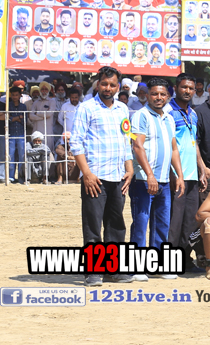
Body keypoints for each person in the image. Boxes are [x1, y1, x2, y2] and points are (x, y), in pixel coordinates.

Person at [67, 70, 129, 282]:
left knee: (116, 226)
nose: (108, 88)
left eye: (112, 85)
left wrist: (129, 169)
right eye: (104, 84)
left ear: (117, 87)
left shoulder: (122, 109)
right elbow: (76, 143)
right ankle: (93, 271)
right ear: (97, 85)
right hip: (95, 178)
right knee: (93, 226)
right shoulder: (86, 108)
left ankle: (114, 270)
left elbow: (125, 140)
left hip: (118, 177)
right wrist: (86, 173)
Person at [130, 78, 183, 281]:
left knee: (162, 224)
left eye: (162, 94)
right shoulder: (141, 116)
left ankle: (159, 266)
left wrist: (179, 175)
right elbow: (137, 146)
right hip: (143, 180)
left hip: (164, 181)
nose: (158, 97)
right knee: (141, 223)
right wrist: (149, 175)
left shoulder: (169, 118)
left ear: (168, 96)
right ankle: (137, 267)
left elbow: (174, 149)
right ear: (147, 95)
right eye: (154, 93)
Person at [167, 73, 210, 269]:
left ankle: (185, 259)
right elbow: (168, 145)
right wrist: (174, 174)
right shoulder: (168, 111)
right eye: (184, 87)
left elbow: (194, 144)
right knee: (174, 221)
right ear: (176, 88)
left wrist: (201, 169)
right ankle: (170, 261)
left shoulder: (192, 113)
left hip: (192, 176)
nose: (187, 91)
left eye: (191, 88)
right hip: (176, 176)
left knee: (190, 222)